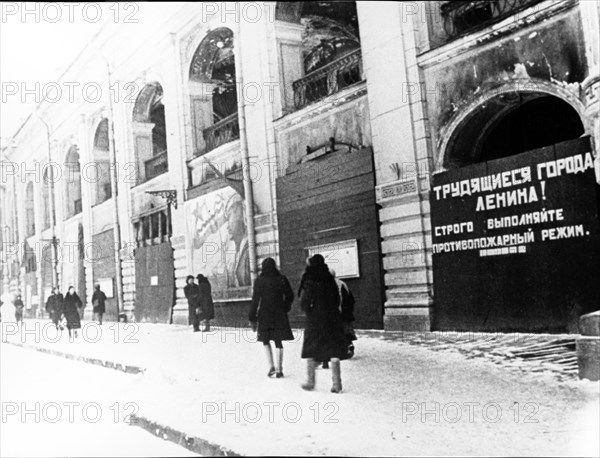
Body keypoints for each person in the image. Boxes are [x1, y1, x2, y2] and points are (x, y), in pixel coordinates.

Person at [299, 254, 346, 393]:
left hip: (315, 320)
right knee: (334, 349)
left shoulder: (310, 280)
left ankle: (310, 382)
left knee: (311, 348)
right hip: (333, 318)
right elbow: (337, 299)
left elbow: (304, 303)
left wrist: (310, 310)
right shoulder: (329, 279)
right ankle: (337, 383)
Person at [249, 258, 294, 378]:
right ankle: (279, 369)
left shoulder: (259, 281)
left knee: (265, 339)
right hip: (279, 313)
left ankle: (271, 366)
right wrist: (285, 306)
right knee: (278, 340)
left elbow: (255, 300)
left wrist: (252, 316)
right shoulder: (282, 279)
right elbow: (290, 295)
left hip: (264, 314)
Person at [320, 269, 357, 368]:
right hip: (344, 313)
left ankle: (326, 359)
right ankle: (348, 346)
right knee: (345, 331)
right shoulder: (342, 283)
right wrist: (348, 311)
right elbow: (351, 299)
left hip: (330, 315)